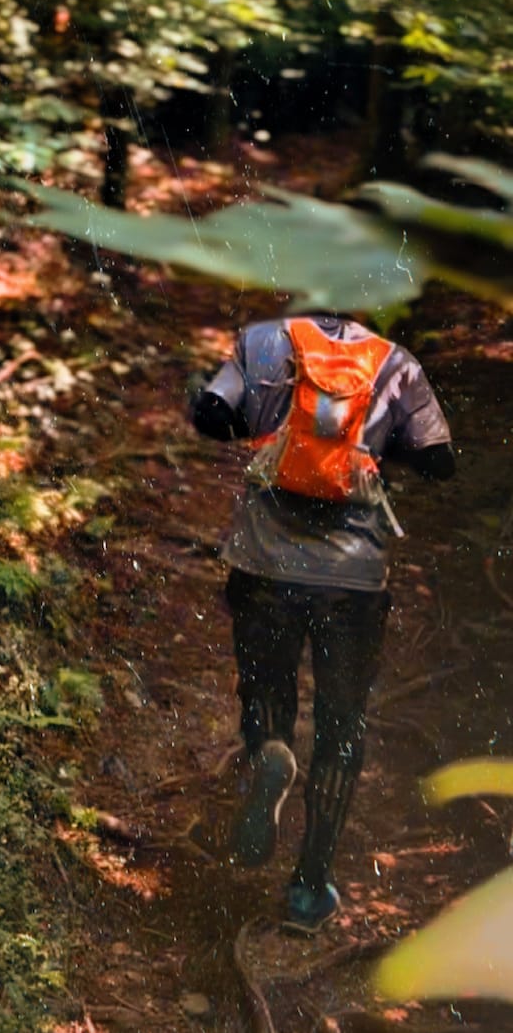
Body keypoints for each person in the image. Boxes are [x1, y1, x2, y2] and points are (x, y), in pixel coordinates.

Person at [189, 311, 455, 933]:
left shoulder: (261, 342)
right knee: (341, 720)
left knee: (264, 686)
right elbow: (438, 459)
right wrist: (373, 448)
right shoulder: (398, 363)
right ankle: (309, 887)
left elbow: (212, 415)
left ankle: (272, 750)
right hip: (352, 581)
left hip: (265, 564)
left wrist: (264, 423)